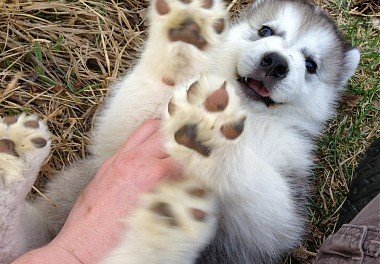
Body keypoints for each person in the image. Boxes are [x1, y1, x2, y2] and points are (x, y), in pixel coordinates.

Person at [13, 120, 379, 264]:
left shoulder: (288, 140)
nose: (277, 57)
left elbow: (277, 234)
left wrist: (76, 253)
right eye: (265, 30)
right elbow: (110, 142)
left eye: (310, 64)